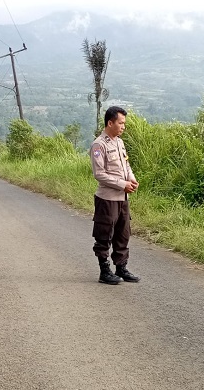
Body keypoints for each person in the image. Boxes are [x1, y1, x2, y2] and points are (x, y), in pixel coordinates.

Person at [89, 106, 140, 285]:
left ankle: (121, 268)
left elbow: (126, 165)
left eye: (124, 123)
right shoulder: (99, 145)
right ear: (110, 123)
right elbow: (99, 174)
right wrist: (122, 184)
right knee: (104, 235)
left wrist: (131, 180)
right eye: (120, 123)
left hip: (123, 199)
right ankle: (105, 271)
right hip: (107, 199)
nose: (123, 126)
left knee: (122, 234)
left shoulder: (119, 142)